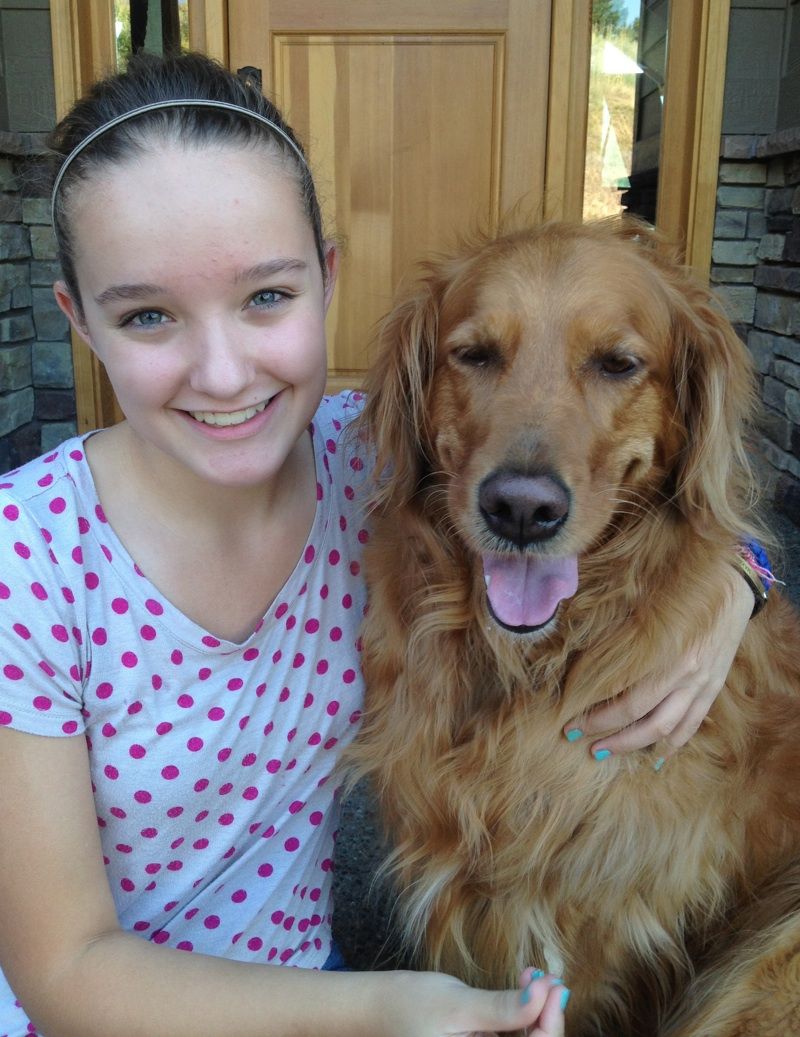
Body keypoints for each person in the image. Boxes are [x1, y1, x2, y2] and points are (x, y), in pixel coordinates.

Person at [0, 51, 761, 1037]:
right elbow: (65, 969)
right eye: (147, 314)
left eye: (265, 297)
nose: (224, 375)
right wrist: (384, 1003)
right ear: (80, 323)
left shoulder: (368, 464)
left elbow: (683, 504)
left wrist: (740, 584)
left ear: (324, 276)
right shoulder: (28, 558)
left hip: (301, 978)